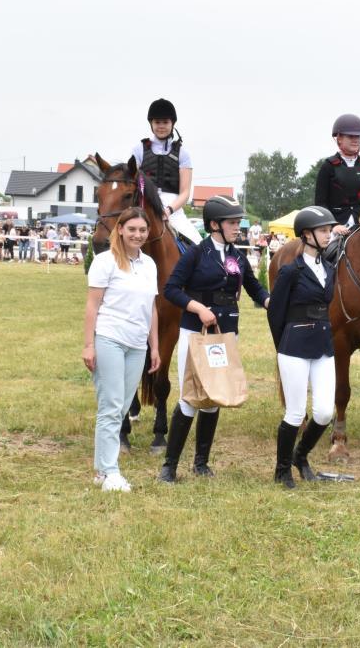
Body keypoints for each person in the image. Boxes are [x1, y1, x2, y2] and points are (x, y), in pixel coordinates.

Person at [160, 196, 270, 482]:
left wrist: (270, 301)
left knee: (214, 396)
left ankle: (201, 463)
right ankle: (169, 467)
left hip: (225, 333)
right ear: (214, 225)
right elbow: (172, 289)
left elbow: (254, 287)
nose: (237, 228)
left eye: (238, 223)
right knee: (190, 397)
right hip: (195, 332)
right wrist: (198, 308)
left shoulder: (238, 257)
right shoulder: (196, 254)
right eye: (232, 223)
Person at [82, 207, 160, 492]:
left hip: (137, 345)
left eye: (142, 230)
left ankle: (102, 470)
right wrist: (89, 345)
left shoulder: (149, 264)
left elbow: (152, 307)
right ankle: (110, 471)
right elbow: (92, 306)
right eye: (132, 229)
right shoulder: (105, 262)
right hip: (110, 338)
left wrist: (154, 346)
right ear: (120, 230)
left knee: (122, 407)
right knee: (112, 406)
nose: (138, 235)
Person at [267, 206, 338, 489]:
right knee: (295, 413)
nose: (329, 235)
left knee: (324, 412)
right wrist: (283, 346)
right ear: (307, 234)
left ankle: (300, 456)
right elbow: (275, 314)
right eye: (323, 231)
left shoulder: (330, 269)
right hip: (294, 345)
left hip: (323, 346)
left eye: (329, 230)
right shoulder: (290, 272)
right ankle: (282, 469)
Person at [133, 98, 202, 244]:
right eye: (157, 122)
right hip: (143, 206)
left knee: (198, 244)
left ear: (172, 123)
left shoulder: (182, 153)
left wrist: (169, 210)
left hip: (173, 210)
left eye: (165, 122)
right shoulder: (139, 149)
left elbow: (185, 193)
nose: (161, 126)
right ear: (151, 124)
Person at [314, 114, 360, 236]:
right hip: (336, 227)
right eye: (350, 136)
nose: (355, 140)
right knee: (324, 247)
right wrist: (333, 225)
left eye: (358, 136)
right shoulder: (328, 166)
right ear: (339, 138)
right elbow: (321, 203)